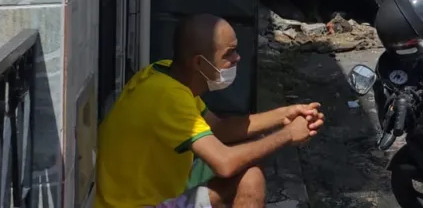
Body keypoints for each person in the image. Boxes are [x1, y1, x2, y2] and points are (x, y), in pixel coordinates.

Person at [96, 14, 325, 208]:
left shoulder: (165, 72)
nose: (238, 58)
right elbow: (224, 164)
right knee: (248, 170)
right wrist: (287, 135)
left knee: (249, 158)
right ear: (199, 63)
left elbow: (219, 129)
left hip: (147, 198)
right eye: (229, 53)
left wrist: (286, 114)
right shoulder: (168, 97)